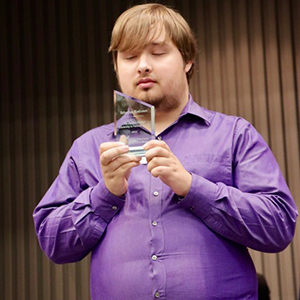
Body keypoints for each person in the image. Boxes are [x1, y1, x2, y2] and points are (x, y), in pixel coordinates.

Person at [33, 3, 298, 300]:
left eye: (158, 53)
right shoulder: (88, 149)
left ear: (187, 60)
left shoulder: (234, 135)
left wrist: (192, 187)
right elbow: (52, 243)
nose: (143, 65)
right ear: (117, 67)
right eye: (130, 56)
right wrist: (104, 194)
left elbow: (279, 225)